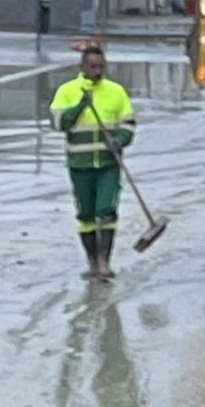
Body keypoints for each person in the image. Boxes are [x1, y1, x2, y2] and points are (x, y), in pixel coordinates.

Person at [50, 46, 135, 279]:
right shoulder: (67, 91)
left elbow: (128, 125)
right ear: (82, 66)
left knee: (106, 210)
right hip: (80, 164)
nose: (97, 71)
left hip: (108, 164)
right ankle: (92, 262)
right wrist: (79, 106)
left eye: (100, 66)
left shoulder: (116, 92)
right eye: (92, 66)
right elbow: (59, 124)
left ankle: (105, 263)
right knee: (86, 214)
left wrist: (119, 140)